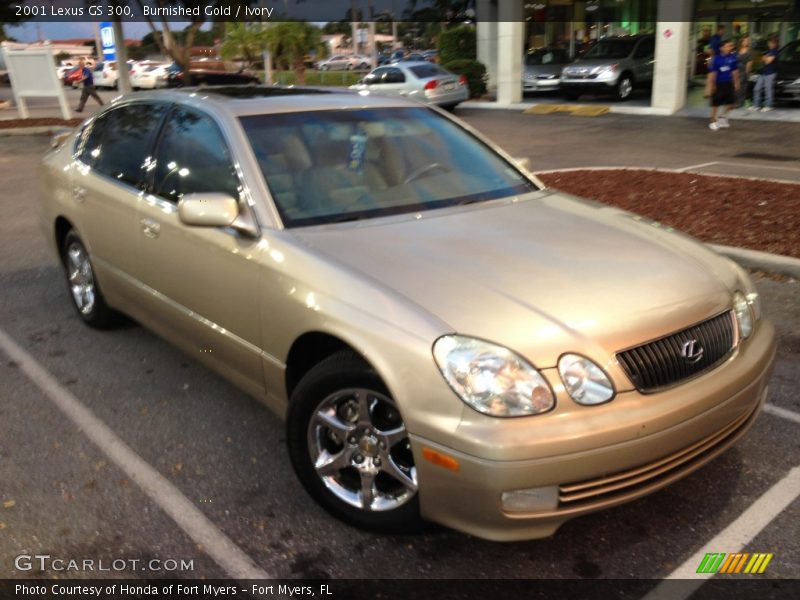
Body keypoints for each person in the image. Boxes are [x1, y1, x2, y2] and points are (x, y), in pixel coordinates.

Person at [707, 39, 739, 131]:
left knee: (732, 104)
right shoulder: (716, 59)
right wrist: (713, 85)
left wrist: (736, 82)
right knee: (716, 103)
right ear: (722, 48)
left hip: (729, 83)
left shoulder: (733, 57)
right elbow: (713, 73)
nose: (730, 48)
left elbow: (735, 71)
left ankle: (721, 117)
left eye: (731, 46)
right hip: (719, 83)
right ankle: (713, 120)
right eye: (728, 46)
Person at [751, 37, 779, 112]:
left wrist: (765, 58)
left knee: (768, 89)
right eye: (769, 42)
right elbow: (762, 59)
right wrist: (765, 58)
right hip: (763, 72)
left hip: (770, 73)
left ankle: (768, 106)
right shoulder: (769, 51)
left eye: (772, 43)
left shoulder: (775, 51)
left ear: (775, 44)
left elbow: (768, 61)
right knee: (756, 89)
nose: (770, 44)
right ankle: (756, 105)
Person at [736, 35, 753, 107]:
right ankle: (734, 101)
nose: (747, 42)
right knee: (735, 86)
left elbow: (750, 63)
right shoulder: (738, 50)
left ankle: (740, 103)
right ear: (741, 42)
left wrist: (747, 73)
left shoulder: (749, 52)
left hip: (743, 71)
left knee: (742, 87)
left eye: (747, 41)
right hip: (736, 71)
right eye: (745, 40)